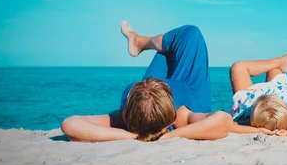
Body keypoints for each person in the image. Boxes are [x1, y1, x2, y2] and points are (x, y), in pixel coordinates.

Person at [61, 22, 233, 142]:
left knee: (166, 51)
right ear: (170, 122)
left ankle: (138, 41)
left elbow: (70, 125)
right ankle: (140, 41)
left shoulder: (124, 115)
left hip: (149, 97)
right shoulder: (182, 117)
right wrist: (168, 137)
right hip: (188, 95)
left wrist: (131, 136)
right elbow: (224, 121)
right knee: (190, 34)